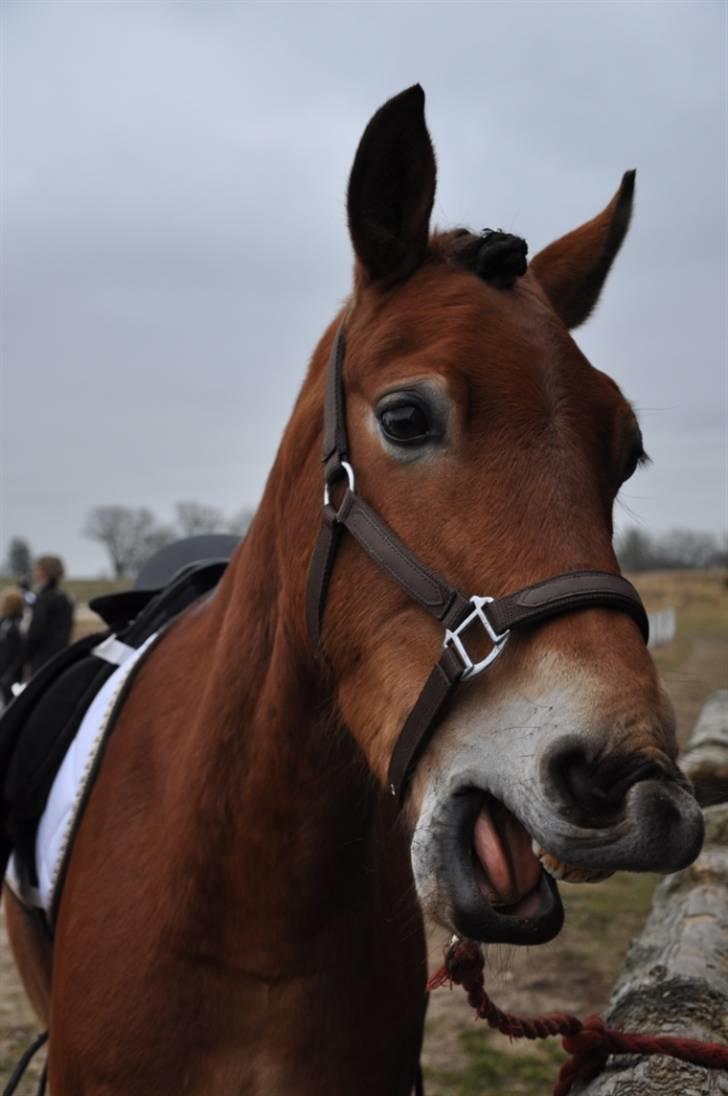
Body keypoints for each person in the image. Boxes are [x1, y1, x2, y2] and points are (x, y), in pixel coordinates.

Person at [23, 555, 74, 676]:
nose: (34, 574)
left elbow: (37, 630)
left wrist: (24, 655)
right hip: (60, 655)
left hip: (42, 658)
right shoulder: (65, 597)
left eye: (37, 570)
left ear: (43, 573)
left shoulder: (44, 598)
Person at [0, 588, 25, 706]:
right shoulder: (5, 623)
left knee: (9, 703)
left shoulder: (15, 626)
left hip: (9, 672)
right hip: (5, 669)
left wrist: (10, 672)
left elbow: (17, 653)